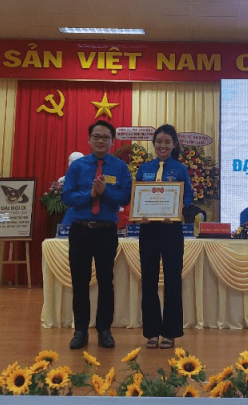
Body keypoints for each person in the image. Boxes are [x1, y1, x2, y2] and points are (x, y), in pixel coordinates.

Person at [62, 120, 131, 350]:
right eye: (96, 137)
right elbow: (67, 197)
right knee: (79, 281)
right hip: (80, 230)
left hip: (106, 231)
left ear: (113, 141)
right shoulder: (78, 167)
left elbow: (125, 197)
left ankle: (104, 330)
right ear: (89, 139)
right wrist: (90, 194)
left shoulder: (120, 168)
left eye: (105, 137)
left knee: (106, 281)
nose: (101, 141)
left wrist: (105, 192)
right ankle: (80, 330)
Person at [135, 124, 194, 350]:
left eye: (167, 142)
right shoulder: (144, 168)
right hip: (148, 229)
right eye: (159, 142)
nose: (163, 146)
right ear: (153, 144)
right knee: (149, 280)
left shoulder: (179, 169)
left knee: (172, 280)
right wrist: (140, 213)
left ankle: (170, 332)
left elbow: (188, 196)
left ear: (174, 144)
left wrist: (177, 210)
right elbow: (137, 194)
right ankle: (151, 332)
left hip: (171, 229)